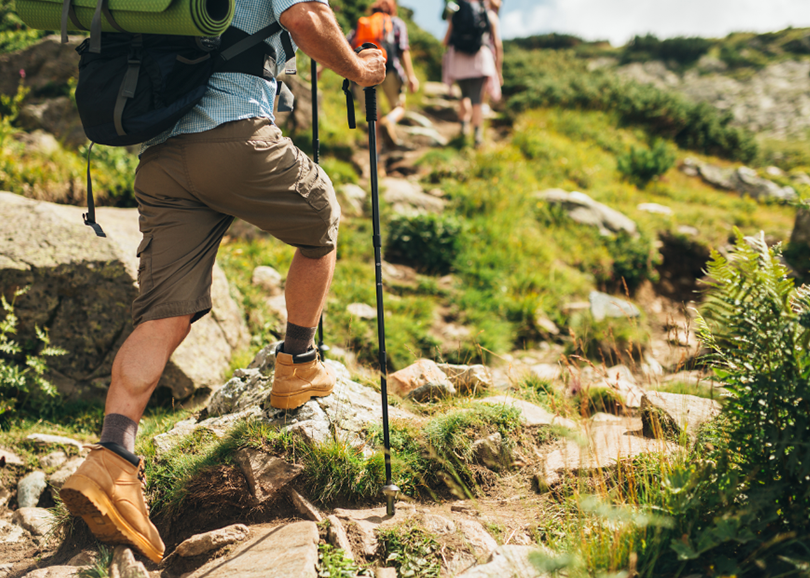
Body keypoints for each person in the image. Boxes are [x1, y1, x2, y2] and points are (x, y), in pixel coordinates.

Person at [58, 0, 386, 564]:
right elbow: (305, 17)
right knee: (321, 219)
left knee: (164, 315)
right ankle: (298, 365)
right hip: (232, 137)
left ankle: (111, 459)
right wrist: (358, 69)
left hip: (163, 158)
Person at [347, 0, 419, 148]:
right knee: (399, 106)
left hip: (364, 70)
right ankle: (390, 121)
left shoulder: (362, 23)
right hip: (389, 68)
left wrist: (321, 69)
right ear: (393, 8)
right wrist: (411, 76)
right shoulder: (397, 23)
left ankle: (375, 156)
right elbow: (403, 49)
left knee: (373, 116)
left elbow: (345, 46)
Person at [442, 0, 501, 146]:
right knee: (477, 100)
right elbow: (498, 45)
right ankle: (477, 136)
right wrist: (498, 71)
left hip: (459, 61)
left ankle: (463, 129)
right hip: (480, 60)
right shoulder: (489, 15)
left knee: (464, 96)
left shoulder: (456, 12)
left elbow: (445, 41)